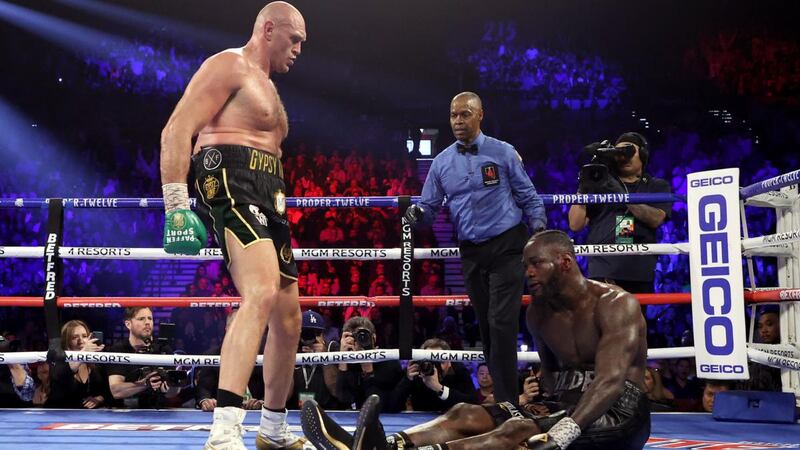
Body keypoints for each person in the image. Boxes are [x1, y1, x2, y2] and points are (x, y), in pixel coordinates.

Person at [302, 230, 650, 449]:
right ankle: (386, 445)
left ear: (564, 262)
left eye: (535, 264)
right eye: (524, 264)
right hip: (567, 406)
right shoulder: (539, 314)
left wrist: (562, 431)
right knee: (466, 412)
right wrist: (536, 398)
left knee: (516, 429)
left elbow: (610, 382)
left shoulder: (616, 305)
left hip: (619, 415)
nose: (526, 273)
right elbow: (551, 373)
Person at [159, 1, 309, 448]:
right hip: (228, 176)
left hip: (270, 189)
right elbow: (177, 128)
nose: (299, 49)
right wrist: (175, 205)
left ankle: (274, 429)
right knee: (260, 292)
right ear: (268, 29)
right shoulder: (230, 64)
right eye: (295, 38)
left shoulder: (267, 87)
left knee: (289, 318)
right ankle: (224, 431)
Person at [405, 92, 547, 404]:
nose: (458, 121)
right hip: (471, 251)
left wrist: (538, 232)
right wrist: (415, 215)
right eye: (454, 115)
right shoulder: (442, 163)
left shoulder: (503, 152)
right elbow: (428, 209)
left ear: (480, 115)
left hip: (508, 245)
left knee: (501, 322)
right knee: (486, 326)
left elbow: (528, 195)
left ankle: (508, 402)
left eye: (465, 114)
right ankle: (503, 400)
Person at [568, 132, 671, 307]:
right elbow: (575, 224)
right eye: (619, 152)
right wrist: (584, 187)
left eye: (630, 151)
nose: (624, 157)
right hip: (602, 268)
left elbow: (656, 219)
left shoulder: (656, 185)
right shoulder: (600, 183)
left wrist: (621, 195)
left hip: (638, 271)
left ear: (644, 155)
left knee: (635, 329)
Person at [107, 307, 182, 409]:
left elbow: (172, 393)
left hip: (157, 412)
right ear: (128, 324)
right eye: (141, 319)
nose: (147, 322)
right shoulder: (118, 350)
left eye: (150, 318)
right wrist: (145, 384)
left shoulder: (163, 348)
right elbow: (116, 391)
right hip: (126, 412)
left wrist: (172, 384)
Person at [195, 309, 265, 413]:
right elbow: (204, 387)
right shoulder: (212, 355)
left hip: (255, 413)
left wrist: (263, 402)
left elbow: (271, 388)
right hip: (222, 411)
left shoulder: (263, 356)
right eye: (235, 325)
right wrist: (206, 401)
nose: (240, 330)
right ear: (227, 328)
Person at [335, 316, 405, 412]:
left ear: (374, 337)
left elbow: (387, 405)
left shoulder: (389, 362)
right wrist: (343, 358)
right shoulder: (346, 363)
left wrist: (368, 372)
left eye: (363, 336)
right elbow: (342, 399)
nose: (360, 341)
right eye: (355, 337)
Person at [396, 338, 476, 413]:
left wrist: (439, 389)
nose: (435, 367)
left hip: (451, 420)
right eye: (430, 361)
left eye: (440, 362)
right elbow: (393, 406)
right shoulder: (415, 371)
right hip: (420, 421)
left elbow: (472, 404)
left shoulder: (458, 371)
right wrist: (407, 380)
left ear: (449, 362)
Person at [286, 311, 344, 410]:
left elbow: (336, 392)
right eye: (306, 333)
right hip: (295, 412)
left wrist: (324, 358)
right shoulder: (291, 350)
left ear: (323, 334)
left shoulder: (332, 349)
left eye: (317, 333)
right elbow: (285, 396)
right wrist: (290, 358)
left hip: (328, 411)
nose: (312, 338)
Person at [47, 320, 111, 409]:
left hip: (89, 417)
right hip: (61, 413)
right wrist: (84, 352)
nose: (81, 341)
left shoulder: (96, 363)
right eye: (74, 337)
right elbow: (61, 376)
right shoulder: (59, 360)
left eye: (84, 336)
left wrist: (99, 399)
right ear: (67, 341)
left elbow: (108, 392)